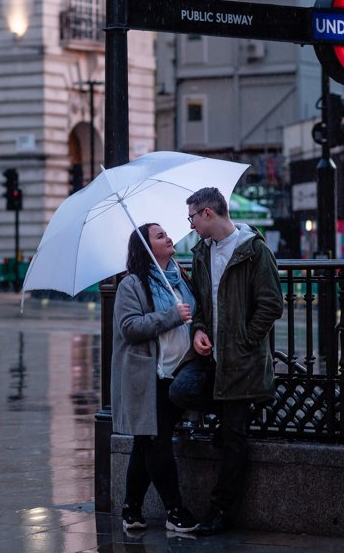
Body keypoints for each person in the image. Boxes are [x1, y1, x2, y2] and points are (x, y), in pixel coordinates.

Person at [169, 187, 284, 536]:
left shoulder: (253, 251)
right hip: (213, 358)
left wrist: (246, 341)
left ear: (207, 213)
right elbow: (203, 302)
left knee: (235, 440)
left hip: (243, 361)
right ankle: (224, 415)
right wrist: (200, 329)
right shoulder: (202, 252)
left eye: (191, 217)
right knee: (179, 391)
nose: (189, 225)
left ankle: (220, 511)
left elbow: (271, 304)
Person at [111, 223, 200, 534]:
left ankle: (131, 508)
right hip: (150, 379)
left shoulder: (180, 276)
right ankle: (175, 511)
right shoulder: (131, 285)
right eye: (160, 236)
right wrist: (172, 316)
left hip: (182, 373)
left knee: (146, 442)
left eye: (167, 234)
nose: (169, 238)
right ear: (146, 248)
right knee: (156, 441)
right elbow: (130, 328)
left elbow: (197, 314)